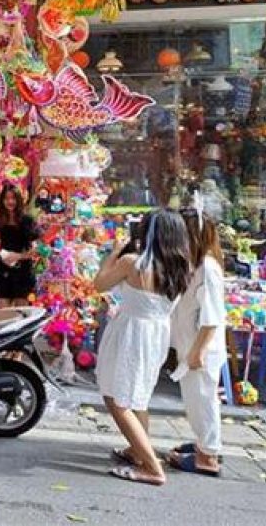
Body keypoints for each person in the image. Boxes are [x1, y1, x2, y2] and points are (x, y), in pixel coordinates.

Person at [94, 209, 190, 486]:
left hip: (131, 332)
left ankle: (151, 466)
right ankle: (138, 450)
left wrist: (113, 253)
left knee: (117, 399)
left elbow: (99, 284)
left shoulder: (132, 263)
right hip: (156, 333)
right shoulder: (180, 267)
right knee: (138, 395)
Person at [166, 207, 227, 477]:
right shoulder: (196, 265)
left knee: (202, 399)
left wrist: (198, 351)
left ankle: (208, 455)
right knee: (198, 398)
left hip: (199, 349)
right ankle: (206, 444)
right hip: (190, 345)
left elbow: (212, 317)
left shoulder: (208, 269)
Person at [0, 186, 40, 308]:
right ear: (2, 200)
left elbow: (36, 249)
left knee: (21, 313)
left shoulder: (27, 221)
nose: (10, 202)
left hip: (23, 271)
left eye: (13, 198)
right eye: (6, 198)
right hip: (2, 269)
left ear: (19, 200)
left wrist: (18, 256)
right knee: (2, 310)